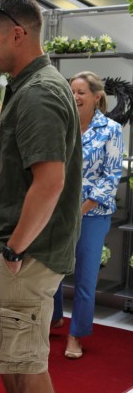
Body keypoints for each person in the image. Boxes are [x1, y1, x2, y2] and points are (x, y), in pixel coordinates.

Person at [0, 0, 82, 393]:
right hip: (10, 251)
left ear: (18, 34)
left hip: (27, 258)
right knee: (9, 360)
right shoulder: (26, 87)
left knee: (25, 366)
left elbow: (50, 182)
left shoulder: (39, 93)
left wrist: (15, 249)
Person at [51, 71, 123, 359]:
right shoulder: (62, 125)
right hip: (57, 210)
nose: (75, 97)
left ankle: (76, 335)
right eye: (72, 91)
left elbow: (111, 177)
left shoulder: (111, 130)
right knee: (51, 269)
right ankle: (55, 316)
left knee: (84, 278)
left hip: (92, 214)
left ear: (97, 96)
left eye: (81, 92)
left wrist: (80, 211)